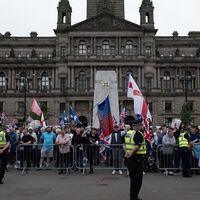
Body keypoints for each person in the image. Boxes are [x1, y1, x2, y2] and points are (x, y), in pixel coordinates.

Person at [125, 119, 146, 200]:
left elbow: (125, 144)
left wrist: (126, 152)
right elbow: (137, 146)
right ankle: (134, 197)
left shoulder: (128, 133)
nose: (142, 126)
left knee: (133, 179)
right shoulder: (138, 134)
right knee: (137, 180)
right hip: (136, 159)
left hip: (130, 159)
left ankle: (133, 196)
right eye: (141, 125)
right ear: (137, 126)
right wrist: (131, 153)